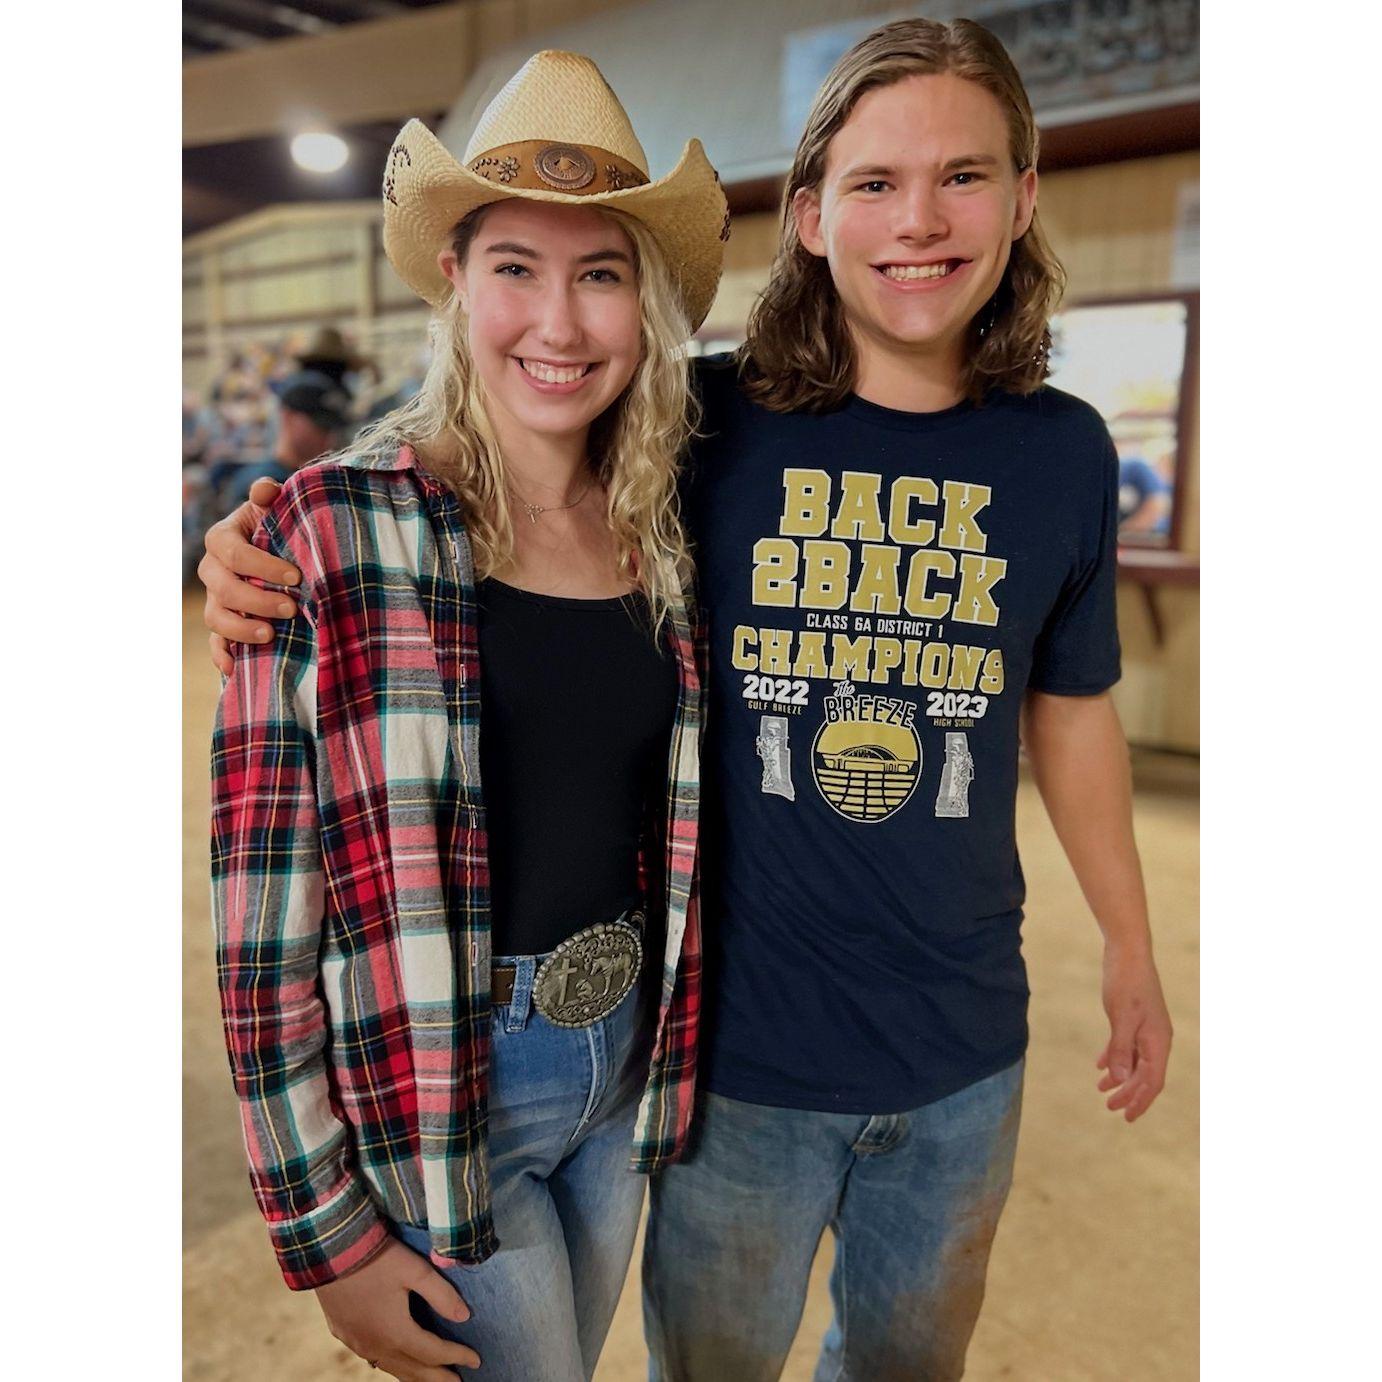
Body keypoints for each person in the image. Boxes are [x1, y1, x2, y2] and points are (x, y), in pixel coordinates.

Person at [201, 19, 1175, 1381]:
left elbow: (1067, 707)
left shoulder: (1039, 453)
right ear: (812, 213)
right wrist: (268, 531)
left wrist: (1130, 943)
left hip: (838, 1049)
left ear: (1022, 200)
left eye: (963, 177)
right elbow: (486, 419)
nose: (918, 221)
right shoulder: (713, 425)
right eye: (875, 181)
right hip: (701, 1061)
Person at [209, 49, 726, 1382]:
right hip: (438, 1074)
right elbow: (263, 912)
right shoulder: (326, 530)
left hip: (622, 1075)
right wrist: (319, 1224)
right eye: (515, 266)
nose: (557, 320)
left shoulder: (665, 528)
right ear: (453, 277)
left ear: (643, 298)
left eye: (599, 273)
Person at [218, 368, 353, 509]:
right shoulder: (260, 485)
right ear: (288, 417)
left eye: (331, 428)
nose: (328, 436)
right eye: (320, 426)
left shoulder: (327, 478)